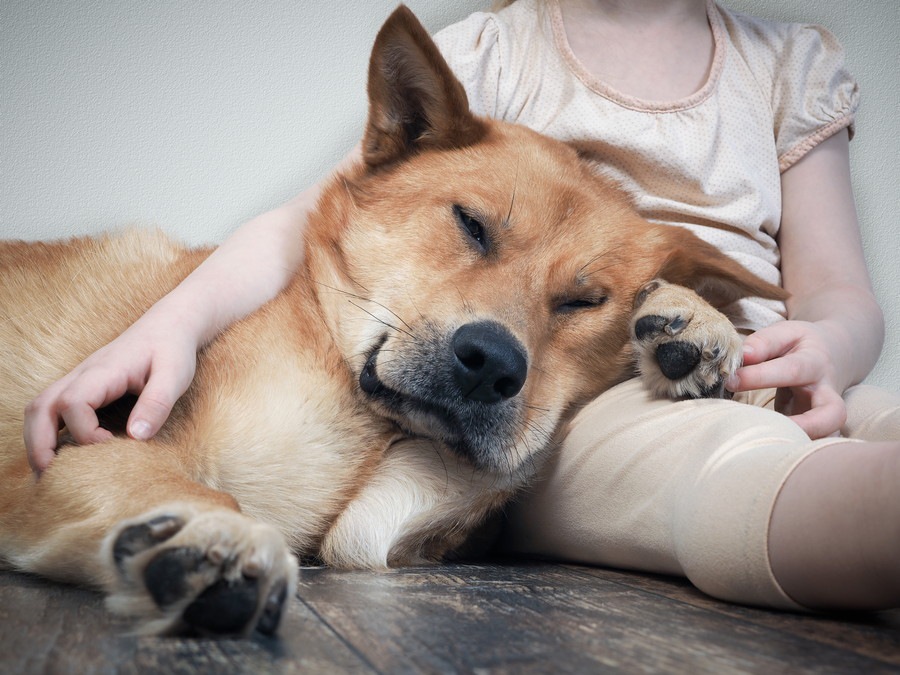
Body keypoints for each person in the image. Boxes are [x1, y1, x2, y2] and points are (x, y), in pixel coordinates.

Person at [23, 0, 899, 612]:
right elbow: (302, 217)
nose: (498, 336)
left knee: (874, 415)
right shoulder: (497, 52)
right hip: (628, 418)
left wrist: (826, 340)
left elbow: (834, 288)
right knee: (717, 466)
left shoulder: (787, 68)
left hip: (749, 354)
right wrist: (173, 322)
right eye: (475, 230)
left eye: (577, 296)